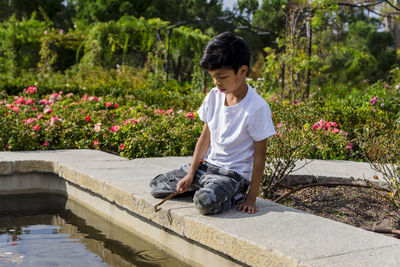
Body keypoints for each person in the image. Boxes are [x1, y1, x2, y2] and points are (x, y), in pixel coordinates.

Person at [150, 32, 275, 215]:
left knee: (204, 202)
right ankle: (203, 186)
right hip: (205, 168)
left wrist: (251, 198)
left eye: (222, 76)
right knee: (156, 185)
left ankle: (234, 195)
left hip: (232, 176)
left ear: (242, 71)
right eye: (213, 76)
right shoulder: (214, 96)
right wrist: (191, 173)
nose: (217, 82)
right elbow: (205, 137)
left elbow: (259, 157)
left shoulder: (257, 108)